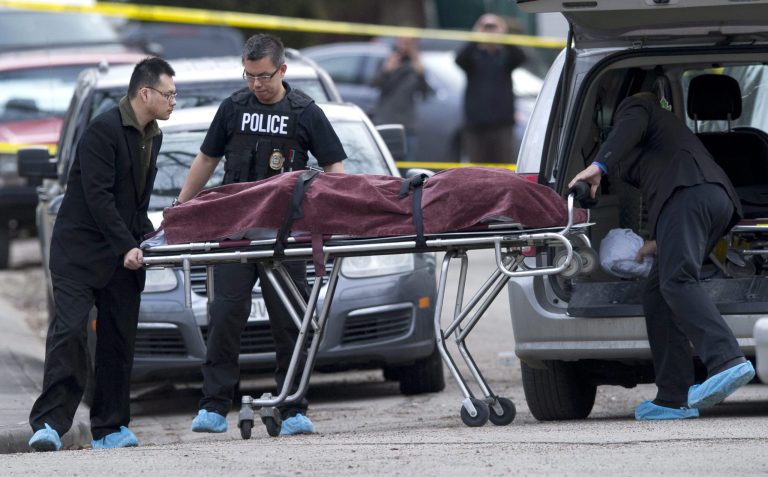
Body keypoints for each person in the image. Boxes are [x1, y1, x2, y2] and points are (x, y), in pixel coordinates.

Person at [175, 33, 346, 436]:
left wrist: (334, 217)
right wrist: (180, 207)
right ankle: (214, 407)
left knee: (290, 323)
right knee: (224, 319)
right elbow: (206, 159)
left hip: (286, 235)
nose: (256, 84)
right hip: (235, 233)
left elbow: (335, 169)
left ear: (282, 70)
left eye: (264, 76)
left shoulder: (305, 112)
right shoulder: (233, 108)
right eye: (249, 76)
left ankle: (292, 408)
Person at [568, 90, 755, 421]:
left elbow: (632, 124)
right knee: (657, 292)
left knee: (677, 280)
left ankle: (727, 360)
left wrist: (598, 165)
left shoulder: (641, 105)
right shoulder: (664, 137)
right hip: (707, 202)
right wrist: (658, 241)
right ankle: (672, 397)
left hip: (689, 194)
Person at [28, 57, 176, 451]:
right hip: (79, 251)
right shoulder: (103, 130)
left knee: (118, 339)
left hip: (121, 253)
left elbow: (135, 201)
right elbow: (98, 197)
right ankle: (49, 425)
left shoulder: (153, 135)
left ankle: (110, 427)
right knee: (70, 332)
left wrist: (151, 237)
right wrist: (126, 245)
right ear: (145, 93)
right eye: (168, 94)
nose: (173, 101)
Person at [455, 14, 526, 164]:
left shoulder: (505, 56)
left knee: (504, 167)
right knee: (477, 168)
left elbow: (521, 57)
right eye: (486, 27)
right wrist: (476, 36)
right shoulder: (473, 56)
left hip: (502, 124)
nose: (489, 31)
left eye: (493, 27)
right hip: (476, 125)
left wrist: (504, 36)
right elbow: (459, 59)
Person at [372, 36, 432, 160]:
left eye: (410, 42)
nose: (405, 46)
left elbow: (425, 93)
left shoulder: (416, 65)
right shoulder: (388, 61)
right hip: (386, 120)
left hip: (408, 123)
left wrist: (421, 74)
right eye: (403, 41)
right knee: (385, 161)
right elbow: (376, 85)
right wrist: (387, 71)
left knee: (407, 163)